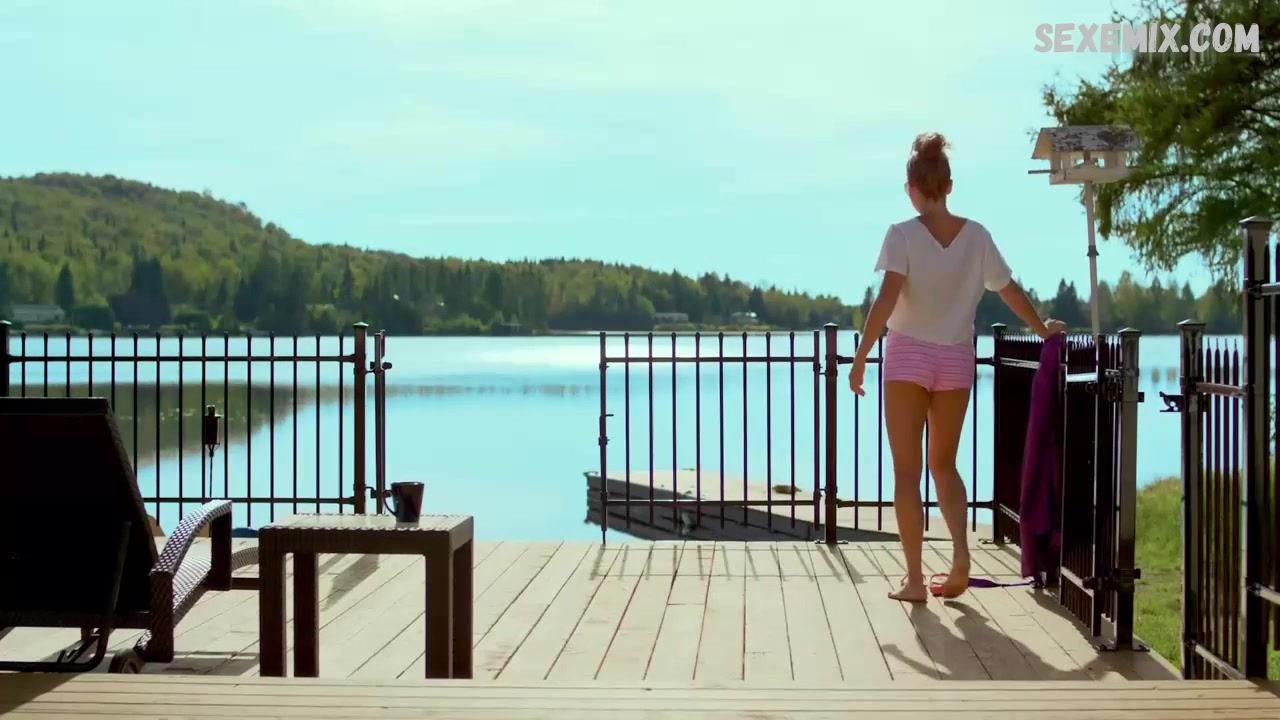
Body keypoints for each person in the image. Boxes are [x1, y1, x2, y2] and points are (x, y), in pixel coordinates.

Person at [847, 132, 1066, 603]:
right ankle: (961, 555)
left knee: (907, 472)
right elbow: (1009, 291)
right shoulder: (978, 236)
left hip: (907, 357)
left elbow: (886, 300)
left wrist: (861, 357)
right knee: (944, 465)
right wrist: (1042, 329)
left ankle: (914, 580)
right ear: (949, 186)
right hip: (955, 359)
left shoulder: (901, 235)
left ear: (911, 189)